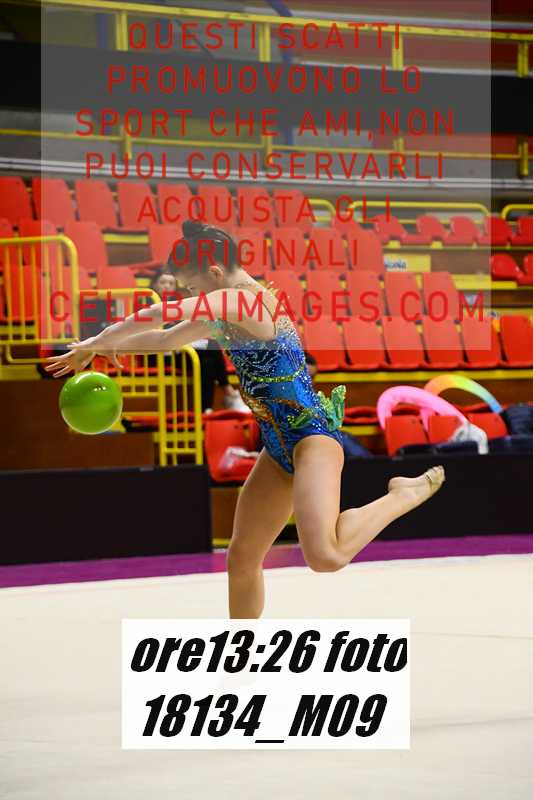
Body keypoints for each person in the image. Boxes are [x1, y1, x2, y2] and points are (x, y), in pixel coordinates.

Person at [46, 220, 445, 619]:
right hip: (277, 446)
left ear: (215, 272)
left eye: (192, 287)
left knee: (325, 555)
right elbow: (166, 338)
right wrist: (105, 347)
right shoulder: (224, 309)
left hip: (312, 440)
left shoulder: (246, 302)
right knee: (241, 559)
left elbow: (160, 314)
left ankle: (401, 495)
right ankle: (242, 650)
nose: (192, 295)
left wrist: (97, 340)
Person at [149, 267, 249, 413]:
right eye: (163, 282)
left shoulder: (178, 305)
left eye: (171, 283)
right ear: (154, 284)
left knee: (208, 361)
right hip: (159, 355)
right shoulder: (148, 302)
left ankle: (205, 409)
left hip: (181, 350)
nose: (167, 286)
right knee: (209, 350)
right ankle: (229, 393)